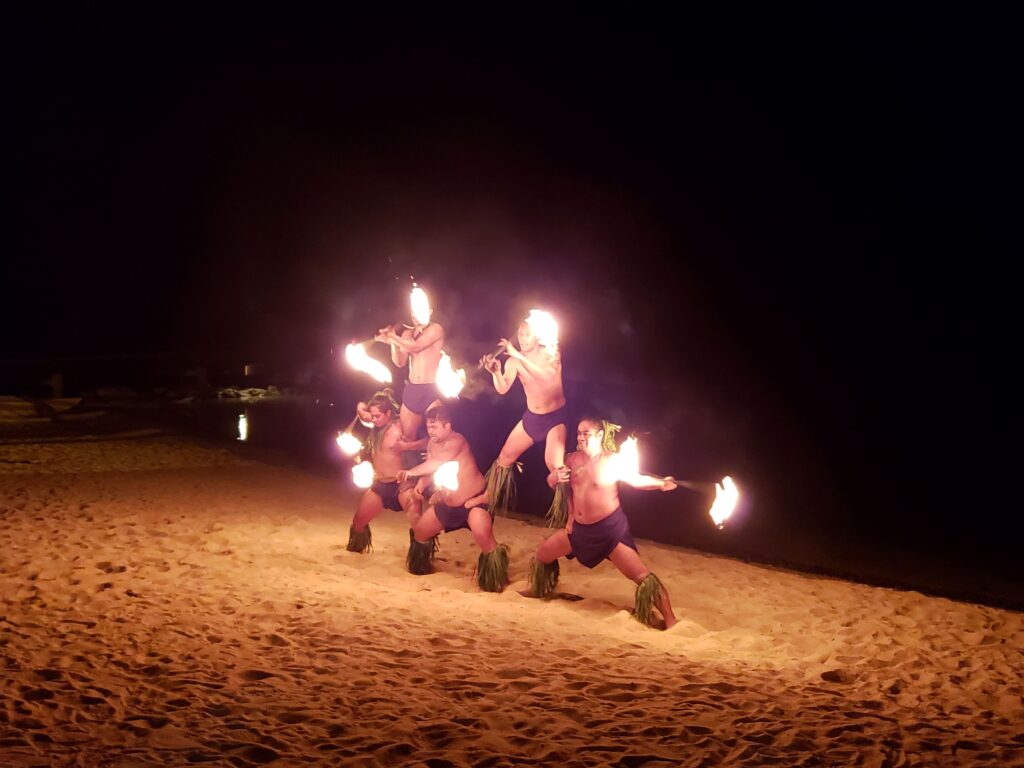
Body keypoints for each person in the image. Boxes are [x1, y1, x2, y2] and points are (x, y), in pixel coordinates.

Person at [526, 417, 679, 629]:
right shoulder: (571, 460)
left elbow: (636, 480)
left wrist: (661, 484)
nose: (581, 437)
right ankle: (539, 589)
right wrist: (555, 481)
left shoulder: (612, 461)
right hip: (578, 530)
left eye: (586, 433)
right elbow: (558, 486)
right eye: (579, 433)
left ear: (599, 435)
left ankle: (671, 620)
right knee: (543, 554)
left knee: (642, 577)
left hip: (608, 532)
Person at [397, 404, 509, 591]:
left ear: (447, 426)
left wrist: (411, 473)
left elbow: (438, 462)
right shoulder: (432, 444)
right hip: (448, 502)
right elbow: (434, 468)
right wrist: (423, 482)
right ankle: (421, 566)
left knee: (483, 535)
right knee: (420, 533)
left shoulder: (457, 441)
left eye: (434, 427)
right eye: (428, 427)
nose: (430, 431)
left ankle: (495, 577)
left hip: (473, 501)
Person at [480, 315, 569, 525]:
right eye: (520, 334)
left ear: (537, 336)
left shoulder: (551, 353)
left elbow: (545, 377)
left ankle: (570, 512)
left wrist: (518, 357)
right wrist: (495, 372)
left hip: (555, 418)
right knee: (504, 458)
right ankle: (490, 495)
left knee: (555, 467)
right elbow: (502, 389)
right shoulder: (514, 360)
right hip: (532, 418)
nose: (522, 338)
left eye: (527, 334)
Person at [345, 388, 427, 553]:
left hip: (403, 485)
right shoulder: (375, 423)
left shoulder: (401, 427)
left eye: (377, 416)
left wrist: (407, 446)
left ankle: (421, 562)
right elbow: (361, 408)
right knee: (358, 522)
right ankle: (356, 549)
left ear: (389, 413)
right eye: (372, 416)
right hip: (380, 485)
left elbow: (427, 442)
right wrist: (364, 408)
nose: (373, 420)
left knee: (419, 525)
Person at [375, 309, 445, 447]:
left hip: (432, 390)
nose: (415, 315)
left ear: (429, 311)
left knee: (439, 439)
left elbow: (416, 347)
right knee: (407, 438)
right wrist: (393, 341)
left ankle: (432, 463)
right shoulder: (407, 333)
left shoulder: (436, 329)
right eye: (413, 312)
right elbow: (400, 362)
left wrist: (392, 337)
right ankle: (411, 466)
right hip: (413, 389)